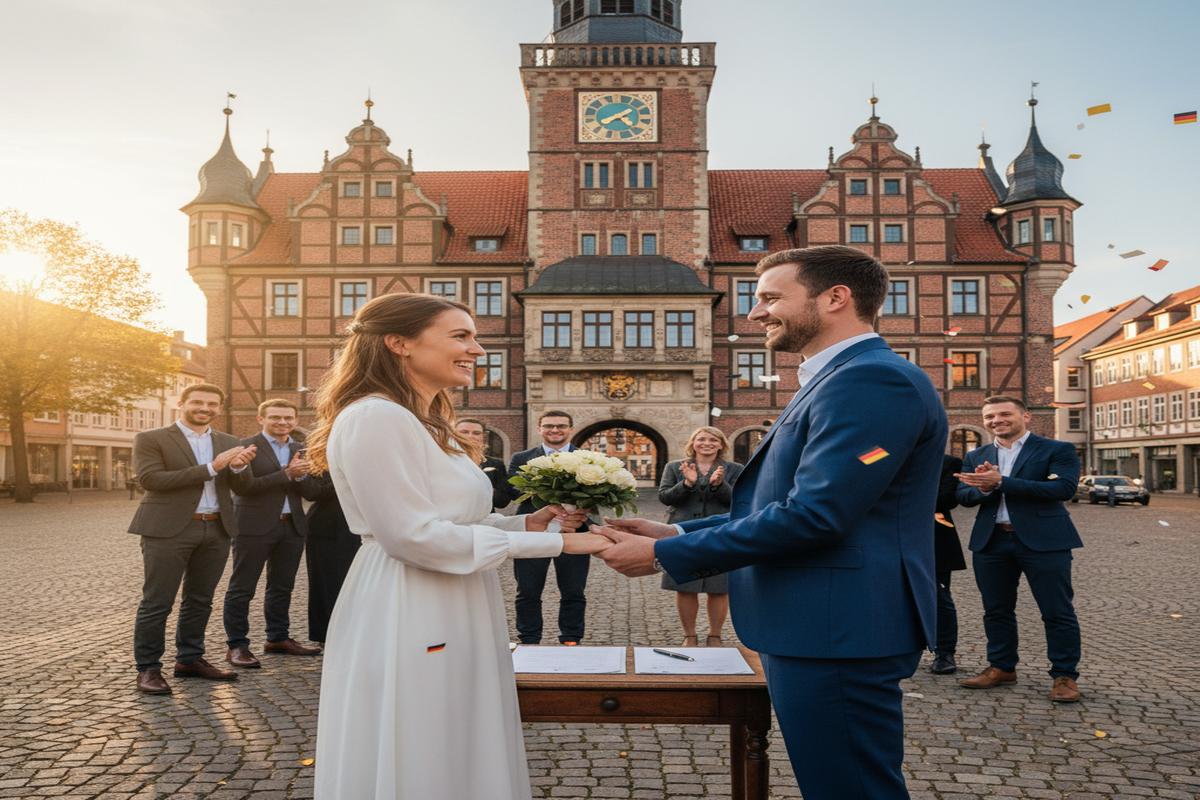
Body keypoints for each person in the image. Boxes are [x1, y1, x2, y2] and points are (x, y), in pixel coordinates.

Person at [595, 245, 946, 800]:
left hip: (837, 626)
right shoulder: (837, 378)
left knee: (850, 788)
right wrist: (676, 532)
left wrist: (665, 558)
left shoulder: (872, 381)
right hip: (821, 623)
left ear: (835, 298)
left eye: (770, 298)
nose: (755, 313)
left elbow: (817, 516)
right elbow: (777, 506)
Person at [305, 293, 608, 799]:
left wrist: (533, 525)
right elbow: (410, 536)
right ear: (399, 343)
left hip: (455, 591)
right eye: (461, 336)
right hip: (411, 596)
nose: (479, 349)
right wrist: (560, 549)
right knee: (424, 732)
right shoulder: (375, 417)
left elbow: (458, 520)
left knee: (458, 726)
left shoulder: (425, 423)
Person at [954, 396, 1083, 703]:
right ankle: (1002, 666)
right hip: (992, 540)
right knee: (996, 610)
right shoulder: (978, 454)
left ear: (1026, 416)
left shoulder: (1056, 450)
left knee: (1057, 610)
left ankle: (1064, 676)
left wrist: (1002, 482)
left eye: (1004, 414)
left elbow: (1063, 489)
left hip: (1045, 541)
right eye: (989, 416)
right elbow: (963, 495)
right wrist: (983, 488)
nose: (996, 420)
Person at [128, 383, 255, 695]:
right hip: (168, 529)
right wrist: (214, 466)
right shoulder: (151, 438)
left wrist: (238, 468)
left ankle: (190, 658)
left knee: (200, 599)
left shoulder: (228, 441)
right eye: (197, 402)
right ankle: (148, 668)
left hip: (216, 528)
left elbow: (244, 487)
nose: (205, 408)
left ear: (219, 409)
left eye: (212, 404)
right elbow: (151, 480)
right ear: (181, 403)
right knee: (157, 601)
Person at [223, 399, 323, 668]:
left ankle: (278, 638)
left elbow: (313, 492)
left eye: (288, 418)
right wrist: (287, 474)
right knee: (242, 587)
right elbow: (244, 488)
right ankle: (237, 646)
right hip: (253, 526)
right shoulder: (246, 447)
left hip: (292, 526)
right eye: (276, 417)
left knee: (282, 586)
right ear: (261, 419)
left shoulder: (301, 448)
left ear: (295, 419)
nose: (283, 422)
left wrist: (301, 477)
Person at [506, 411, 591, 645]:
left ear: (571, 429)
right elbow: (515, 491)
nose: (555, 430)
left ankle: (571, 638)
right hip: (532, 532)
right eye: (549, 426)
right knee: (528, 591)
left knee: (574, 590)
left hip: (574, 531)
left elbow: (597, 494)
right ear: (540, 429)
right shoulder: (522, 457)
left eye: (561, 426)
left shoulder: (587, 458)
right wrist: (549, 494)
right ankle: (530, 639)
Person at [657, 426, 744, 646]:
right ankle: (690, 635)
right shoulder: (675, 467)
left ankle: (715, 634)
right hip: (683, 531)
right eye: (701, 439)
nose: (707, 443)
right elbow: (665, 497)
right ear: (693, 443)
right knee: (686, 587)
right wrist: (686, 484)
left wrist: (719, 485)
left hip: (721, 532)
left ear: (721, 444)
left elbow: (740, 500)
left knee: (719, 588)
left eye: (713, 440)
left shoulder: (734, 469)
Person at [303, 471, 359, 646]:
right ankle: (326, 635)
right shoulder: (317, 454)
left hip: (358, 525)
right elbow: (313, 492)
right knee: (326, 583)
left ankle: (356, 631)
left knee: (356, 583)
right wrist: (347, 479)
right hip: (326, 527)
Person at [930, 453, 967, 675]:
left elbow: (947, 498)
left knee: (940, 598)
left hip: (935, 538)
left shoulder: (948, 462)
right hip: (885, 537)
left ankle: (944, 652)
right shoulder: (879, 454)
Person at [456, 417, 511, 511]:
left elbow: (502, 502)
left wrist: (483, 486)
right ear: (453, 435)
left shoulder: (496, 464)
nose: (470, 436)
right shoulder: (442, 460)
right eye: (464, 432)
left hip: (485, 518)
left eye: (476, 433)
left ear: (483, 437)